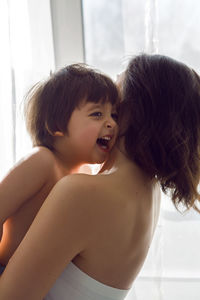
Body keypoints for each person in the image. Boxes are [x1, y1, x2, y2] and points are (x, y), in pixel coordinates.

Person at [1, 53, 200, 300]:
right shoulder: (149, 192)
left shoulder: (81, 192)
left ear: (133, 112)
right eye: (97, 113)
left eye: (114, 108)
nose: (109, 121)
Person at [0, 64, 119, 273]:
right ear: (56, 125)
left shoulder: (86, 175)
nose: (112, 124)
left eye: (115, 116)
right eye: (98, 114)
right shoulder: (42, 162)